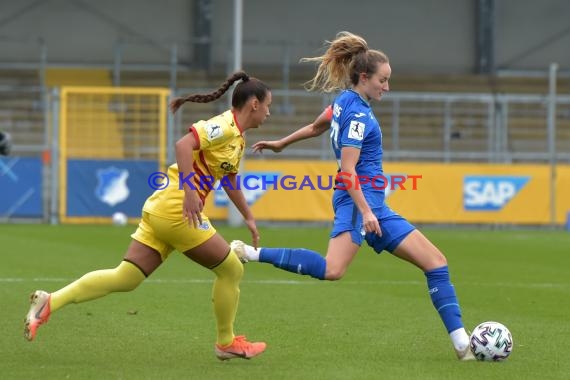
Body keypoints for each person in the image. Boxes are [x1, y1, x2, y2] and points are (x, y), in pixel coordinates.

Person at [232, 31, 475, 361]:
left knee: (436, 263)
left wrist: (281, 143)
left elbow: (318, 126)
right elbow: (348, 172)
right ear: (365, 77)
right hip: (359, 204)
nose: (386, 87)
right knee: (333, 269)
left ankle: (464, 346)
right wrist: (367, 211)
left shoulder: (345, 101)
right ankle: (250, 253)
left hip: (374, 206)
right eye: (383, 80)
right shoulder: (359, 115)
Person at [24, 71, 271, 361]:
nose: (269, 112)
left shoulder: (237, 139)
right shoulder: (225, 125)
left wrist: (248, 217)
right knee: (231, 269)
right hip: (176, 209)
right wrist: (191, 192)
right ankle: (226, 342)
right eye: (268, 105)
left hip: (162, 208)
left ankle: (50, 302)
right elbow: (183, 145)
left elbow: (228, 179)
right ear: (253, 104)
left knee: (126, 277)